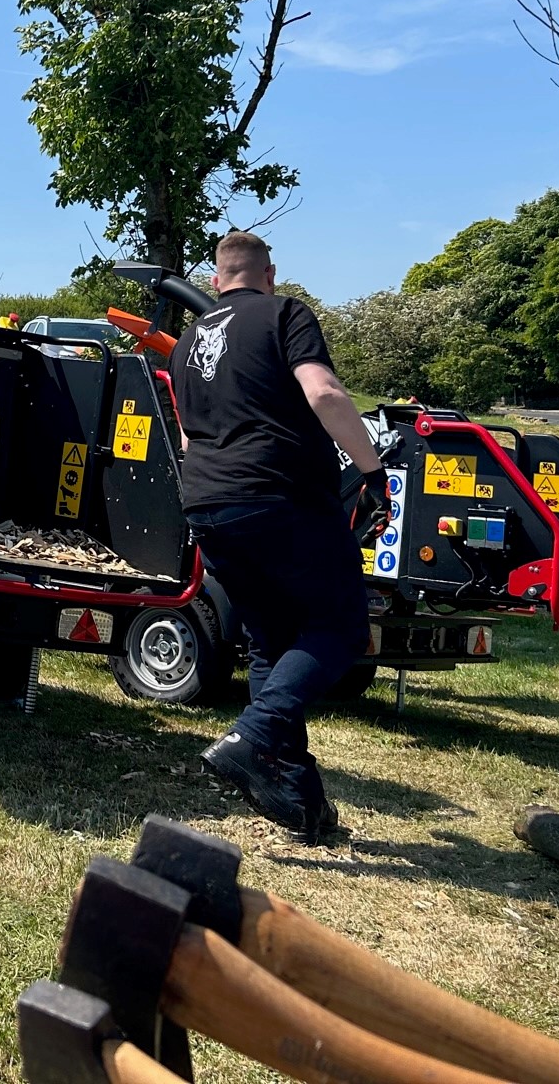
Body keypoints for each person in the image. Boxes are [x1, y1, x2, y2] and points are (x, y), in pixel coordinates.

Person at [167, 231, 389, 843]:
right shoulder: (284, 312)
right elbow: (322, 391)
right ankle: (252, 737)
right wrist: (371, 473)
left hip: (209, 503)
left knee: (270, 643)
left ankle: (297, 801)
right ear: (269, 275)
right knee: (340, 626)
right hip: (281, 497)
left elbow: (188, 438)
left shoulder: (186, 343)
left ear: (216, 281)